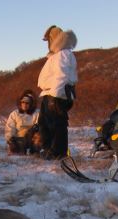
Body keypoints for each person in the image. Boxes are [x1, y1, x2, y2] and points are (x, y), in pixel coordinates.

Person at [37, 25, 78, 160]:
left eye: (49, 39)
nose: (48, 43)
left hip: (57, 93)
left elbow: (62, 76)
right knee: (45, 123)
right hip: (50, 93)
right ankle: (49, 149)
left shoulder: (63, 54)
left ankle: (58, 153)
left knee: (57, 124)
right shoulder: (57, 55)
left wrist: (55, 97)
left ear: (54, 39)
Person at [5, 90, 40, 155]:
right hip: (19, 140)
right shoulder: (14, 114)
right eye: (22, 102)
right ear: (20, 103)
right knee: (14, 151)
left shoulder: (37, 113)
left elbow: (39, 124)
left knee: (38, 136)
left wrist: (34, 129)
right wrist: (10, 139)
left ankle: (35, 152)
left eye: (27, 103)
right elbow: (9, 128)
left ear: (31, 104)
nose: (24, 104)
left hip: (32, 139)